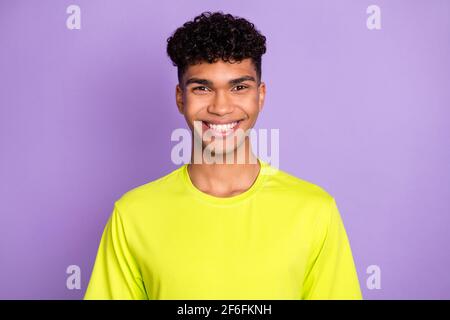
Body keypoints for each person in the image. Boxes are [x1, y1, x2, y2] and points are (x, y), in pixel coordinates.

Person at [84, 11, 362, 300]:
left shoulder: (314, 211)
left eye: (239, 87)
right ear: (181, 98)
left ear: (260, 95)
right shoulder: (132, 215)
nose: (221, 107)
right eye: (202, 88)